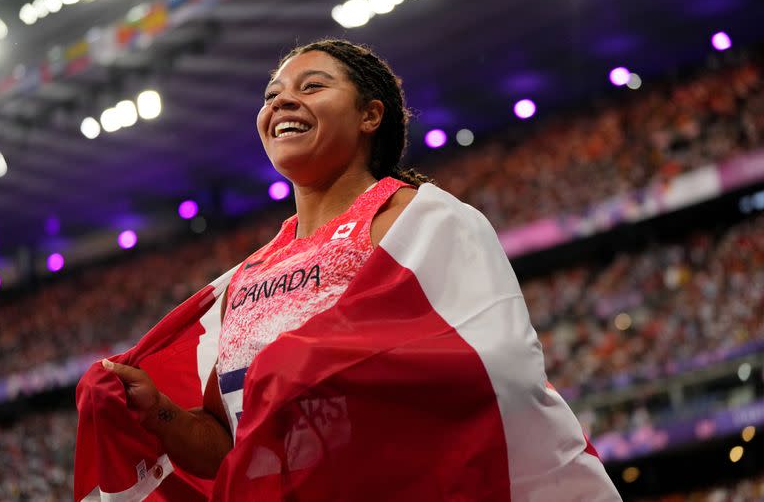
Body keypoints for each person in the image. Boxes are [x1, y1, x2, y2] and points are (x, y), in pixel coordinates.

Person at [95, 39, 622, 501]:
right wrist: (156, 410)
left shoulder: (420, 217)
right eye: (272, 93)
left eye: (313, 85)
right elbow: (232, 446)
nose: (281, 100)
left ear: (371, 115)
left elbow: (494, 364)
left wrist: (312, 363)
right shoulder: (251, 275)